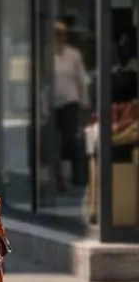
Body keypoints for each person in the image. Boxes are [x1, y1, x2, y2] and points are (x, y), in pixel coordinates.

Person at [51, 18, 90, 193]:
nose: (60, 38)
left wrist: (85, 101)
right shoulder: (46, 54)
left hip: (69, 102)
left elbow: (82, 79)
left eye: (63, 35)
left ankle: (73, 177)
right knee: (51, 143)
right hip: (52, 104)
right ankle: (57, 179)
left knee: (69, 140)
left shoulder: (73, 55)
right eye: (57, 35)